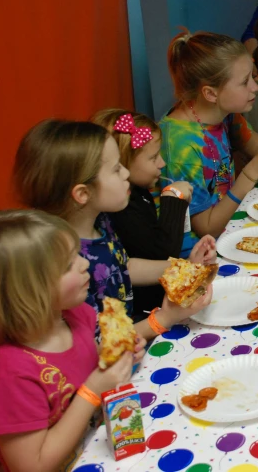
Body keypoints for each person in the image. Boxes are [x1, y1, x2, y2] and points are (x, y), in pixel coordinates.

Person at [13, 120, 214, 341]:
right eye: (116, 168)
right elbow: (96, 346)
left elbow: (123, 266)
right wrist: (165, 318)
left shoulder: (100, 221)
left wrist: (185, 268)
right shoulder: (64, 264)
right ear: (82, 193)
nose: (126, 173)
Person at [0, 210, 142, 471]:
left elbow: (77, 364)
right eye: (68, 265)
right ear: (28, 292)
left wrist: (114, 355)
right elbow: (32, 466)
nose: (84, 263)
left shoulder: (76, 315)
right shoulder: (8, 374)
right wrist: (91, 392)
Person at [162, 30, 258, 256]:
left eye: (252, 77)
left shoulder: (224, 113)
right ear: (211, 93)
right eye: (245, 82)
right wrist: (251, 172)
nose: (255, 87)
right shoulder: (181, 146)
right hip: (202, 256)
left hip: (231, 222)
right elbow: (207, 228)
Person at [92, 109, 215, 318]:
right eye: (153, 158)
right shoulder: (121, 209)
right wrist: (173, 202)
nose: (162, 164)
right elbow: (161, 251)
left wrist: (186, 267)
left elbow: (127, 266)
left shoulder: (137, 195)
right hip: (144, 313)